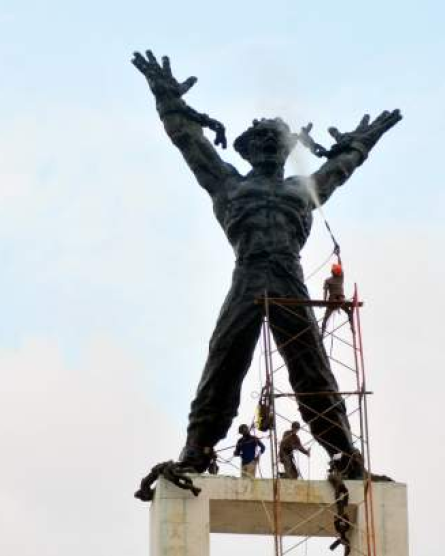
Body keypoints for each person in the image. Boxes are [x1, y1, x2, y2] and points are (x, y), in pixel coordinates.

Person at [132, 50, 401, 478]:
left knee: (312, 368)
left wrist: (360, 143)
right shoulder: (229, 184)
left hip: (288, 278)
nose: (270, 145)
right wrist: (166, 98)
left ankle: (345, 455)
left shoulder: (303, 189)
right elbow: (190, 141)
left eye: (277, 140)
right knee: (223, 363)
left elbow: (342, 167)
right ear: (248, 150)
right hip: (249, 274)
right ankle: (197, 451)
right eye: (261, 140)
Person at [321, 263, 354, 336]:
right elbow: (325, 291)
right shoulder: (339, 277)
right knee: (348, 312)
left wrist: (324, 300)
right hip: (336, 300)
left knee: (326, 318)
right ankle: (352, 328)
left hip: (335, 300)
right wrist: (324, 300)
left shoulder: (334, 278)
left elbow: (325, 291)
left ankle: (322, 333)